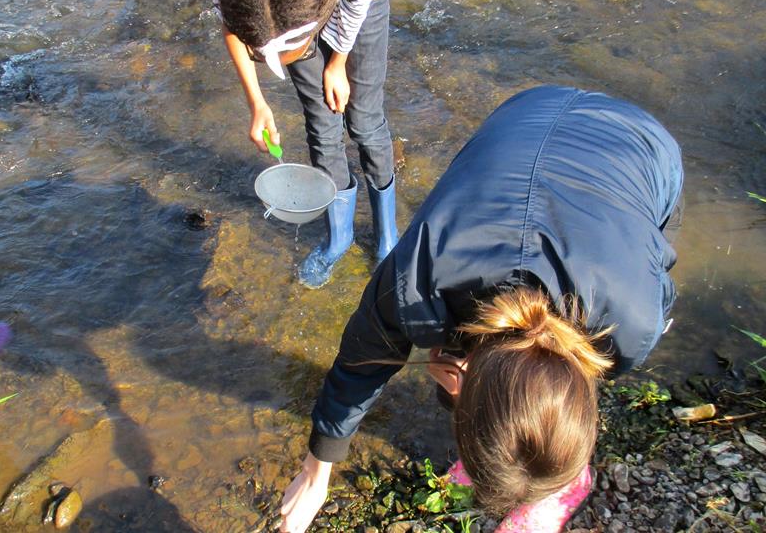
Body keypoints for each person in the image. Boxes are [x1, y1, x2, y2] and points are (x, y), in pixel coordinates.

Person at [278, 86, 684, 532]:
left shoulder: (632, 324)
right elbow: (360, 363)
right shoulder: (416, 281)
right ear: (461, 380)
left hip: (622, 150)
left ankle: (548, 465)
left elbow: (657, 261)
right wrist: (317, 471)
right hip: (562, 124)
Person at [210, 0, 398, 288]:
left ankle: (388, 235)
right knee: (322, 124)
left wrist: (337, 62)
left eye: (289, 55)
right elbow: (233, 27)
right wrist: (257, 102)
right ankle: (339, 238)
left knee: (364, 122)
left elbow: (356, 1)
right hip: (287, 7)